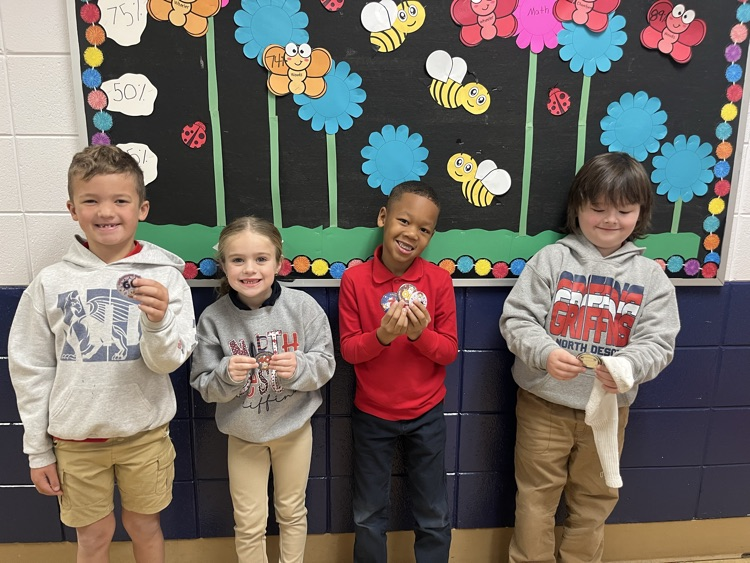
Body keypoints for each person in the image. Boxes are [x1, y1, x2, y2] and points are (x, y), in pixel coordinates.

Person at [8, 144, 197, 563]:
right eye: (91, 200)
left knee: (145, 527)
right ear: (73, 209)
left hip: (144, 437)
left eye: (120, 200)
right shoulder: (50, 283)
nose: (106, 211)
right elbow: (30, 369)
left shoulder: (166, 278)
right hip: (75, 442)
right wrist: (38, 450)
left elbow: (168, 362)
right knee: (93, 537)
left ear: (142, 209)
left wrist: (158, 322)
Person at [499, 152, 680, 562]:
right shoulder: (552, 260)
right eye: (598, 208)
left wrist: (628, 367)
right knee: (535, 498)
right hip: (544, 406)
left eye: (624, 210)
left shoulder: (651, 278)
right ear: (577, 207)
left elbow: (659, 342)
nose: (610, 219)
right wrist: (545, 353)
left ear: (641, 212)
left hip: (609, 411)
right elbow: (517, 319)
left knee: (595, 501)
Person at [189, 216, 335, 563]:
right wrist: (226, 374)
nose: (250, 269)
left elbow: (326, 364)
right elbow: (203, 384)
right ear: (224, 265)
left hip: (294, 430)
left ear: (279, 263)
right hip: (243, 436)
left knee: (292, 511)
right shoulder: (213, 318)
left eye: (261, 259)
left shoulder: (303, 307)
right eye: (238, 260)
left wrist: (299, 367)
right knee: (249, 522)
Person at [339, 181, 458, 563]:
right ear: (383, 218)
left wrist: (420, 335)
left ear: (431, 236)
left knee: (434, 513)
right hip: (372, 414)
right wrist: (383, 336)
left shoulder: (438, 281)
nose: (411, 234)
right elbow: (350, 350)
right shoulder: (355, 280)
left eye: (424, 229)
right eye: (404, 221)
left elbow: (448, 351)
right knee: (368, 514)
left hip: (427, 414)